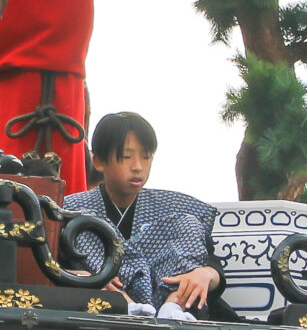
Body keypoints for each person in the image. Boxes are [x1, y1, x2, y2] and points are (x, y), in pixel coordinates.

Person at [66, 112, 224, 317]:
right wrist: (79, 277)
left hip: (171, 306)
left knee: (187, 222)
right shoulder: (70, 207)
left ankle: (173, 307)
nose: (138, 167)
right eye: (126, 157)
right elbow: (47, 267)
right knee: (83, 224)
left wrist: (205, 274)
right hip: (103, 308)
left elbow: (210, 264)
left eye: (146, 156)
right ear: (98, 161)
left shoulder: (176, 207)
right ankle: (128, 306)